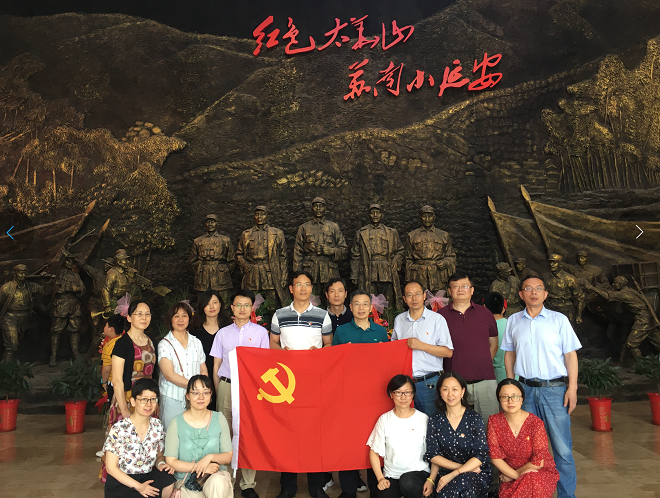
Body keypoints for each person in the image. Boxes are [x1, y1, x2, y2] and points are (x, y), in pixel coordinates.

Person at [501, 276, 581, 498]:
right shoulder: (513, 321)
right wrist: (511, 385)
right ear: (521, 294)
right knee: (527, 449)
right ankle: (532, 493)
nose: (533, 292)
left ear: (545, 294)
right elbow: (509, 354)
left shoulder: (559, 320)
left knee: (562, 448)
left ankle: (566, 495)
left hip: (554, 390)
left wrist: (572, 388)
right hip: (525, 391)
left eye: (538, 288)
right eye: (528, 288)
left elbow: (570, 355)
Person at [270, 270, 333, 498]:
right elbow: (273, 343)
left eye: (307, 284)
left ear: (311, 289)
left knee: (313, 433)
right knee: (286, 434)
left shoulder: (322, 315)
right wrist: (281, 352)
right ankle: (288, 487)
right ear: (291, 288)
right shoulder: (279, 315)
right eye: (299, 284)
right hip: (286, 383)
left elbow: (329, 344)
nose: (303, 288)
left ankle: (316, 486)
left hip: (313, 382)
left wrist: (320, 352)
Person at [210, 289, 269, 498]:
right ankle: (226, 479)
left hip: (251, 389)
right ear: (232, 308)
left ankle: (248, 483)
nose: (242, 309)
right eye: (238, 305)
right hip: (227, 386)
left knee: (249, 433)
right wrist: (219, 390)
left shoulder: (261, 333)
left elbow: (265, 365)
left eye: (246, 305)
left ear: (252, 308)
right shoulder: (222, 333)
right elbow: (216, 365)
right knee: (224, 432)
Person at [333, 290, 388, 498]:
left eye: (365, 304)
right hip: (348, 395)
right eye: (357, 304)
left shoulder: (380, 331)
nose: (361, 308)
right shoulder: (342, 331)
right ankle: (348, 490)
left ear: (371, 307)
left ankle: (376, 487)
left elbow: (387, 362)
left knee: (374, 438)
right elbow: (332, 363)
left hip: (374, 395)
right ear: (351, 307)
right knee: (347, 440)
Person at [103, 300, 158, 482]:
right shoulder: (122, 343)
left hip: (148, 401)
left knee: (146, 443)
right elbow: (117, 380)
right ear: (129, 317)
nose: (144, 317)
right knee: (125, 446)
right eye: (139, 314)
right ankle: (121, 484)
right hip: (127, 399)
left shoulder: (151, 341)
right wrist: (124, 408)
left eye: (147, 314)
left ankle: (145, 482)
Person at [439, 272, 499, 425]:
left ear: (472, 290)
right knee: (457, 427)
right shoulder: (440, 316)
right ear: (450, 291)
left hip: (485, 382)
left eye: (465, 286)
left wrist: (483, 363)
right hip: (454, 385)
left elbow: (493, 343)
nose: (460, 290)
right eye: (456, 286)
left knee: (489, 427)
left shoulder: (485, 313)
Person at [103, 378, 176, 498]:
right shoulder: (119, 428)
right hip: (122, 482)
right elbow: (111, 468)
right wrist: (139, 486)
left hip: (146, 477)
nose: (149, 404)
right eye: (143, 399)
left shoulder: (157, 426)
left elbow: (159, 456)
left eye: (153, 399)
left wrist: (161, 464)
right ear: (133, 401)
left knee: (167, 477)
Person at [423, 372, 491, 498]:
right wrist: (459, 468)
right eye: (445, 389)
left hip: (476, 473)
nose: (450, 394)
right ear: (440, 392)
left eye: (455, 389)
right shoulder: (435, 420)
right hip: (445, 473)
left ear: (462, 391)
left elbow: (480, 455)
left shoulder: (474, 418)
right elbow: (433, 455)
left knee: (464, 483)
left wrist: (455, 473)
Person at [487, 379, 559, 498]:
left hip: (538, 471)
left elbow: (538, 461)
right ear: (499, 400)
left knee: (532, 479)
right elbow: (494, 456)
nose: (510, 401)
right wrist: (515, 475)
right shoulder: (494, 421)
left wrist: (513, 476)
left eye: (515, 396)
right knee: (529, 481)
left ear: (522, 399)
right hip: (509, 472)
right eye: (504, 397)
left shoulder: (535, 423)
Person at [165, 375, 233, 498]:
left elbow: (228, 456)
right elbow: (171, 461)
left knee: (218, 482)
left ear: (211, 395)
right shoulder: (176, 422)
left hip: (214, 477)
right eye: (195, 393)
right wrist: (202, 468)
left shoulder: (219, 418)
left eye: (206, 392)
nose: (201, 397)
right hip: (186, 482)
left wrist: (210, 457)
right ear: (187, 395)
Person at [392, 281, 453, 417]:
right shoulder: (399, 320)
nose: (414, 298)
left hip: (429, 382)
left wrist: (421, 346)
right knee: (407, 423)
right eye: (409, 295)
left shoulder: (437, 319)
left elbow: (448, 352)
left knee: (431, 423)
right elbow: (394, 349)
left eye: (417, 294)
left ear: (424, 296)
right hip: (405, 384)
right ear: (404, 299)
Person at [367, 374, 430, 498]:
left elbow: (434, 452)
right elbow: (373, 452)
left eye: (407, 392)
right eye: (398, 392)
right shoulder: (384, 420)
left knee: (408, 482)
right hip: (392, 476)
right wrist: (380, 478)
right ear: (391, 394)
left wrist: (431, 480)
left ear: (413, 394)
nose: (403, 397)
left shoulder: (423, 419)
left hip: (418, 474)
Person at [158, 301, 208, 430]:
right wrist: (195, 386)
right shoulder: (165, 344)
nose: (181, 319)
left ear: (189, 318)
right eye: (176, 316)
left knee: (194, 432)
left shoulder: (196, 342)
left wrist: (202, 388)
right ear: (170, 319)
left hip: (196, 398)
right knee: (173, 433)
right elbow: (169, 375)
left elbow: (203, 368)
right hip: (172, 398)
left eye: (184, 316)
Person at [350, 203, 405, 309]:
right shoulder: (361, 233)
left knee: (388, 301)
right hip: (368, 270)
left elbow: (400, 251)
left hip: (387, 270)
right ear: (369, 215)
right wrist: (354, 274)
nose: (375, 215)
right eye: (372, 212)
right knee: (369, 300)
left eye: (378, 212)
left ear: (382, 215)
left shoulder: (392, 232)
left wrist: (396, 261)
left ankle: (389, 318)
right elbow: (355, 255)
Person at [236, 205, 290, 307]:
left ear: (267, 216)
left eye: (262, 214)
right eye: (257, 214)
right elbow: (239, 254)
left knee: (272, 303)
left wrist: (283, 277)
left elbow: (283, 257)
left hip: (270, 272)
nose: (259, 217)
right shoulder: (246, 234)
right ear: (254, 217)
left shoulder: (277, 233)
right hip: (252, 272)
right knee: (252, 302)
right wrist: (244, 264)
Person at [293, 197, 349, 296]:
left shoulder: (333, 227)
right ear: (312, 208)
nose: (318, 209)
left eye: (321, 206)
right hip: (310, 271)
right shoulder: (304, 228)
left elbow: (344, 250)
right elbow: (298, 253)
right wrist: (298, 276)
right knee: (310, 299)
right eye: (315, 206)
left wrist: (331, 251)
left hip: (329, 271)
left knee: (331, 299)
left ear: (325, 208)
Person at [191, 290, 232, 411]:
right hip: (202, 377)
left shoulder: (229, 327)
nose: (212, 307)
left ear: (220, 304)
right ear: (202, 307)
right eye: (207, 304)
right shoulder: (195, 330)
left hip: (224, 378)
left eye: (215, 302)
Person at [405, 205, 456, 294]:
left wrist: (445, 262)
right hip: (419, 275)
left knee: (439, 299)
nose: (427, 219)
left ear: (434, 217)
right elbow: (408, 259)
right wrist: (409, 279)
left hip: (438, 275)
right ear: (420, 217)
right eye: (424, 216)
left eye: (430, 216)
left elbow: (451, 256)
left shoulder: (443, 235)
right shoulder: (412, 235)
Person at [189, 214, 236, 307]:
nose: (210, 224)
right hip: (203, 277)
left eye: (213, 222)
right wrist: (200, 270)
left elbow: (232, 260)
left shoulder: (225, 240)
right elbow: (192, 261)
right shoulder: (198, 241)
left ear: (217, 223)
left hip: (221, 277)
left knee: (225, 303)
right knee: (203, 303)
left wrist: (224, 271)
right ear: (205, 224)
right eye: (208, 222)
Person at [0, 263, 43, 361]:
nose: (23, 275)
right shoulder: (6, 288)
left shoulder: (30, 286)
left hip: (25, 318)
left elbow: (44, 291)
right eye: (20, 273)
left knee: (18, 344)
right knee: (12, 345)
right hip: (9, 318)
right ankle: (6, 368)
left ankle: (14, 364)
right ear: (15, 273)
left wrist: (46, 281)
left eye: (25, 273)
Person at [483, 292, 508, 384]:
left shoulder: (481, 328)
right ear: (503, 309)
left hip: (488, 377)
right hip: (511, 375)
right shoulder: (512, 325)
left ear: (484, 308)